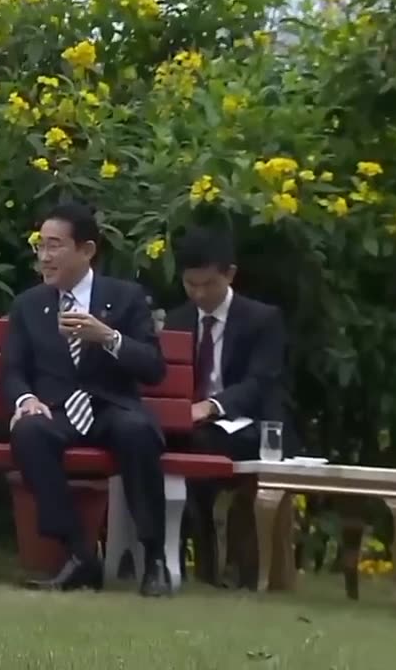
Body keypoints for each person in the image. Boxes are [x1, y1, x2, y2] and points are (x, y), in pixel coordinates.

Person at [0, 201, 173, 597]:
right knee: (29, 432)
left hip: (111, 407)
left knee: (138, 431)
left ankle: (155, 558)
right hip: (57, 409)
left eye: (55, 246)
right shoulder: (29, 304)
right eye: (40, 246)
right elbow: (12, 369)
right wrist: (26, 398)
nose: (44, 256)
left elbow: (153, 368)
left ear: (87, 250)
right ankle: (80, 555)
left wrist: (109, 338)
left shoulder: (126, 298)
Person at [164, 225, 287, 586]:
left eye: (209, 284)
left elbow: (260, 383)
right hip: (191, 424)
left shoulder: (262, 319)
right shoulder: (178, 320)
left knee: (202, 444)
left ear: (229, 274)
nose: (199, 294)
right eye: (191, 285)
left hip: (250, 425)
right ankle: (172, 553)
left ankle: (220, 560)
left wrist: (212, 406)